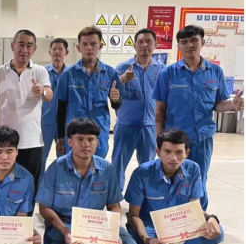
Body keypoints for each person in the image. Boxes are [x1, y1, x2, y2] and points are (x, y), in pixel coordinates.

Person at [154, 25, 245, 210]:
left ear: (202, 42)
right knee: (174, 179)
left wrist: (233, 105)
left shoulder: (215, 72)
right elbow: (160, 111)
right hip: (175, 140)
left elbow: (218, 104)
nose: (189, 45)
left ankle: (198, 216)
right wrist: (159, 141)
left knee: (199, 179)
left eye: (194, 41)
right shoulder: (168, 73)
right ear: (179, 46)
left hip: (203, 138)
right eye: (184, 42)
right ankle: (173, 217)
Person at [38, 118, 138, 244]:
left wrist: (111, 231)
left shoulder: (107, 169)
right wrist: (65, 231)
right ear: (70, 142)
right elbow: (44, 207)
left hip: (95, 223)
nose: (86, 144)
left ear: (97, 142)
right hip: (63, 222)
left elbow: (114, 205)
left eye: (90, 139)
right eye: (80, 139)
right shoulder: (56, 168)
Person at [126, 128, 225, 244]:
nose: (173, 158)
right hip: (148, 225)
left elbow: (193, 207)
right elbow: (133, 214)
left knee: (217, 233)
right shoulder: (142, 173)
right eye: (167, 151)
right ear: (158, 152)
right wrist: (147, 239)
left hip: (179, 223)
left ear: (187, 153)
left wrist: (211, 218)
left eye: (179, 152)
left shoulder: (193, 169)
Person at [0, 30, 53, 207]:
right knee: (3, 182)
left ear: (34, 49)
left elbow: (49, 95)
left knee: (29, 185)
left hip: (32, 140)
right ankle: (3, 216)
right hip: (5, 142)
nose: (24, 49)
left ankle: (26, 218)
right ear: (12, 46)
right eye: (21, 45)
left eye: (29, 46)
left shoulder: (39, 72)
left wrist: (42, 91)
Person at [56, 27, 123, 159]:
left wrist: (116, 100)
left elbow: (116, 105)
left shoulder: (110, 73)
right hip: (75, 133)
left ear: (100, 46)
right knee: (74, 167)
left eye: (93, 44)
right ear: (78, 47)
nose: (89, 48)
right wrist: (60, 137)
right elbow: (61, 108)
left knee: (97, 167)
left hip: (99, 133)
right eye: (85, 44)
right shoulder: (68, 75)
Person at [111, 29, 165, 190]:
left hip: (150, 125)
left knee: (148, 166)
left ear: (155, 45)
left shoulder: (162, 70)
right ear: (134, 46)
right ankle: (115, 197)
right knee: (118, 164)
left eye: (149, 41)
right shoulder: (123, 67)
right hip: (126, 124)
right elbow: (111, 90)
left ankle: (145, 196)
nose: (144, 45)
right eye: (140, 42)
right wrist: (123, 78)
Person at [40, 38, 69, 181]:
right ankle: (38, 188)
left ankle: (61, 187)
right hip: (45, 122)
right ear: (49, 52)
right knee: (40, 159)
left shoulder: (71, 73)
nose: (57, 52)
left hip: (65, 124)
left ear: (66, 52)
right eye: (54, 49)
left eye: (60, 49)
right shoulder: (42, 73)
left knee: (64, 159)